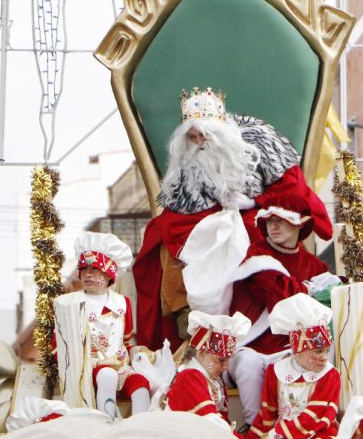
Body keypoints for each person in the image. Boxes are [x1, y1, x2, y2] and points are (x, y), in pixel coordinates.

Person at [134, 87, 333, 349]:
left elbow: (293, 190)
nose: (199, 143)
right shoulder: (186, 167)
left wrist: (256, 202)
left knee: (251, 241)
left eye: (203, 136)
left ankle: (256, 322)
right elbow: (178, 217)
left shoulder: (259, 139)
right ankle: (194, 321)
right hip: (210, 226)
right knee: (164, 240)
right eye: (192, 138)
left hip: (261, 218)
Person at [227, 194, 335, 426]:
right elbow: (281, 297)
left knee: (317, 360)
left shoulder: (314, 265)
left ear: (299, 223)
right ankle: (254, 428)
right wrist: (311, 289)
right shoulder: (257, 255)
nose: (273, 226)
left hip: (289, 349)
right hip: (250, 346)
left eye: (281, 220)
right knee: (249, 364)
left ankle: (303, 426)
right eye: (268, 220)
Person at [53, 232, 150, 416]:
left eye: (95, 269)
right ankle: (107, 425)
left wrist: (138, 353)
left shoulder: (122, 303)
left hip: (120, 366)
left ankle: (139, 429)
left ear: (108, 275)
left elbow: (126, 341)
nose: (88, 274)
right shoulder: (71, 304)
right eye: (84, 268)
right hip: (88, 369)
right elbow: (59, 346)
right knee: (107, 376)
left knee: (141, 386)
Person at [246, 293, 341, 439]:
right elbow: (267, 415)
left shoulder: (330, 375)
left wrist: (277, 433)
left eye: (327, 351)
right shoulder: (275, 372)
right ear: (298, 349)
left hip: (318, 433)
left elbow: (315, 416)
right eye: (318, 351)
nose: (324, 358)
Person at [165, 310, 251, 436]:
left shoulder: (215, 381)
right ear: (201, 353)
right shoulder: (190, 376)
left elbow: (221, 420)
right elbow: (211, 422)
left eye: (227, 361)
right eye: (221, 360)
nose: (226, 367)